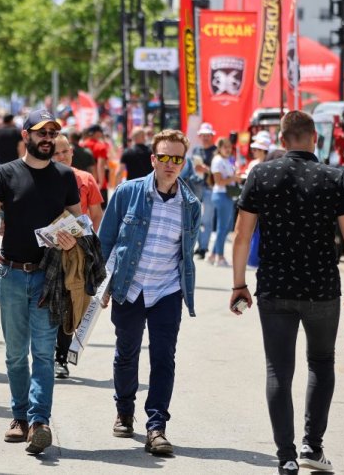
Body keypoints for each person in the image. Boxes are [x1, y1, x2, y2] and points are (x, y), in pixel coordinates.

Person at [231, 111, 344, 475]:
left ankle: (286, 456)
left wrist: (239, 283)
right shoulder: (335, 178)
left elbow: (242, 235)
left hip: (275, 287)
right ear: (314, 139)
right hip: (322, 288)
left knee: (278, 369)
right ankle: (312, 446)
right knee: (321, 362)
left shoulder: (261, 174)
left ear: (281, 140)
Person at [0, 109, 81, 455]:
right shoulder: (6, 173)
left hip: (48, 277)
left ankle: (39, 422)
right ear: (26, 136)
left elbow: (79, 222)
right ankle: (19, 416)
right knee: (15, 353)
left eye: (52, 133)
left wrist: (71, 237)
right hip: (10, 274)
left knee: (44, 353)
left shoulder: (65, 176)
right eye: (41, 133)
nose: (47, 139)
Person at [98, 129, 200, 456]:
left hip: (167, 290)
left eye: (177, 158)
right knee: (126, 352)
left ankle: (156, 426)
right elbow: (105, 241)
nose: (171, 164)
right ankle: (124, 411)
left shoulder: (191, 205)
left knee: (163, 357)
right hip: (130, 286)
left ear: (183, 162)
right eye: (165, 157)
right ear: (154, 159)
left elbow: (186, 252)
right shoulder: (127, 193)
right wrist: (100, 286)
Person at [51, 133, 104, 379]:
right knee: (49, 300)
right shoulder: (42, 178)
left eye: (65, 151)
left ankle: (61, 357)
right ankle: (46, 353)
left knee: (72, 302)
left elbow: (96, 214)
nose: (61, 156)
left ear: (72, 152)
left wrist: (89, 242)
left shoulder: (85, 179)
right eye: (56, 153)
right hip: (48, 249)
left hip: (78, 251)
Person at [183, 123, 217, 259]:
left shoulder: (216, 151)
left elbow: (220, 170)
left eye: (207, 135)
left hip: (209, 188)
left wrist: (207, 170)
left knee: (207, 220)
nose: (205, 138)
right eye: (203, 135)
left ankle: (203, 247)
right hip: (195, 186)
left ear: (211, 136)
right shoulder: (196, 149)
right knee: (194, 218)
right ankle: (200, 245)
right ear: (200, 136)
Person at [210, 137, 240, 267]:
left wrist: (234, 178)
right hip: (221, 195)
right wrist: (234, 178)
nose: (228, 149)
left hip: (227, 196)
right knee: (222, 228)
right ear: (220, 148)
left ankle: (213, 255)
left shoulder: (227, 160)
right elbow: (218, 182)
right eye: (225, 147)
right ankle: (220, 257)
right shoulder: (217, 160)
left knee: (226, 227)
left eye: (229, 147)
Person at [81, 124, 109, 205]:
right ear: (97, 133)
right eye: (100, 132)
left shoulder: (82, 145)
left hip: (83, 182)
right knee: (101, 211)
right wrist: (100, 184)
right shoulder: (100, 146)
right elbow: (100, 166)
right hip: (98, 183)